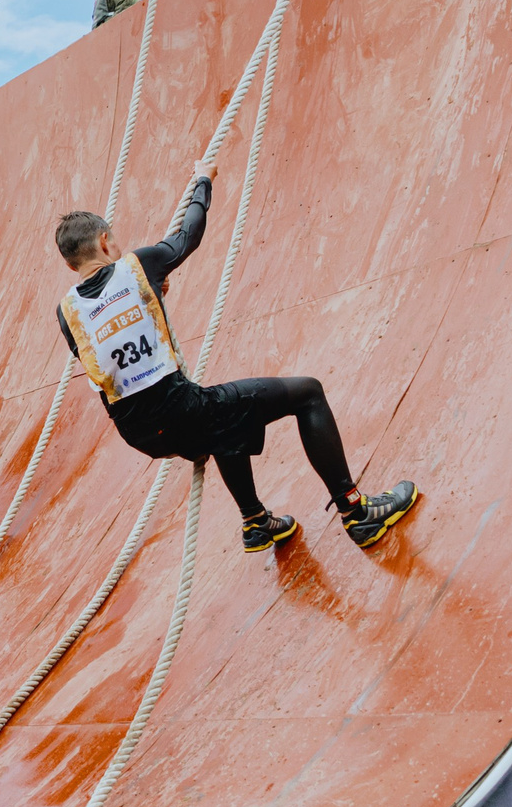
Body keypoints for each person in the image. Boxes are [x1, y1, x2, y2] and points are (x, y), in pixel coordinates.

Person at [54, 163, 417, 551]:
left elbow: (105, 356)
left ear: (70, 265)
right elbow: (187, 236)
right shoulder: (136, 266)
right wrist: (203, 180)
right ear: (105, 242)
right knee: (308, 393)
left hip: (140, 434)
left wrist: (149, 300)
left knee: (223, 420)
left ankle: (256, 522)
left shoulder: (66, 311)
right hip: (183, 411)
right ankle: (356, 512)